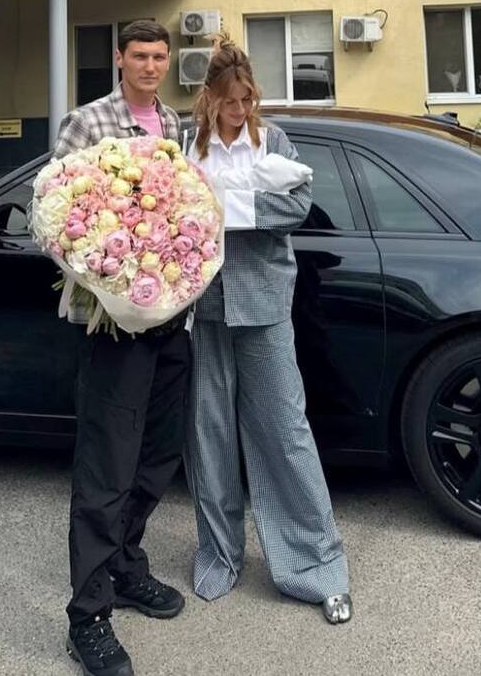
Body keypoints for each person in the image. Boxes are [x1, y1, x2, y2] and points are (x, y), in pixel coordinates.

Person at [184, 38, 353, 624]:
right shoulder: (188, 144)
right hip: (203, 304)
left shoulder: (272, 140)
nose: (240, 110)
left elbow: (298, 206)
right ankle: (218, 554)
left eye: (247, 99)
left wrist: (226, 208)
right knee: (208, 433)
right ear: (210, 98)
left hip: (264, 302)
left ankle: (315, 564)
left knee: (285, 430)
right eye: (230, 101)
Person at [54, 20, 188, 676]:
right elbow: (58, 219)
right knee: (106, 468)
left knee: (158, 455)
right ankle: (88, 615)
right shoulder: (86, 124)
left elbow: (188, 209)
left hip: (171, 319)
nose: (150, 65)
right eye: (140, 55)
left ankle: (127, 566)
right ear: (119, 58)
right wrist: (112, 271)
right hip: (112, 324)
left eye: (160, 56)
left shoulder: (176, 124)